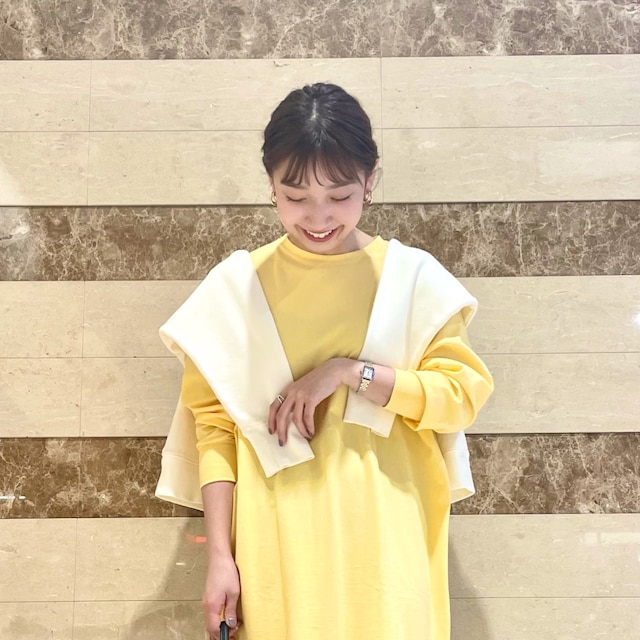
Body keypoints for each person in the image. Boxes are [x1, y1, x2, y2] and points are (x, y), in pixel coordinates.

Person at [156, 82, 494, 640]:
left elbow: (459, 397)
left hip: (389, 539)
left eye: (339, 196)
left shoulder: (413, 279)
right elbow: (213, 430)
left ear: (371, 179)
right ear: (270, 184)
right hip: (277, 542)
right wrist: (220, 556)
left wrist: (346, 371)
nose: (318, 217)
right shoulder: (236, 289)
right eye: (295, 196)